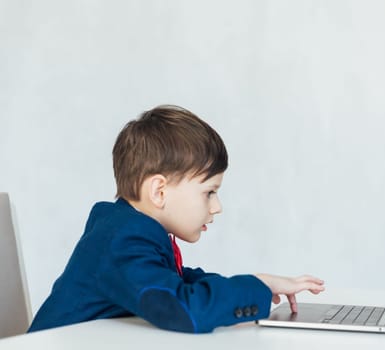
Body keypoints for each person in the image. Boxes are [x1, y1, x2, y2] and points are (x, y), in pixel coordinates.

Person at [28, 105, 324, 333]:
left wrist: (261, 285)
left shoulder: (126, 229)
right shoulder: (123, 240)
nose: (217, 206)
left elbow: (176, 279)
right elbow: (183, 307)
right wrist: (254, 285)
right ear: (159, 191)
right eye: (209, 192)